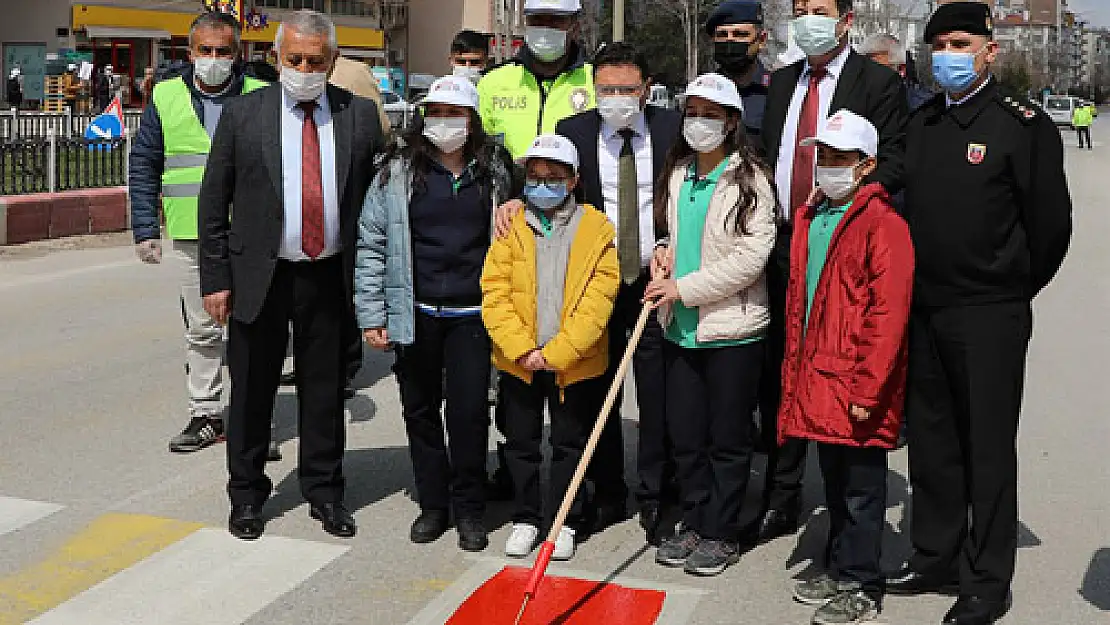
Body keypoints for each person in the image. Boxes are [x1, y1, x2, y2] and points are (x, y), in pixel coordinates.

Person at [887, 4, 1072, 624]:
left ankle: (988, 577)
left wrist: (1009, 288)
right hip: (926, 307)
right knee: (932, 439)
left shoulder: (1023, 125)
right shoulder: (926, 123)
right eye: (938, 43)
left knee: (986, 445)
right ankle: (935, 554)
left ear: (990, 51)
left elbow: (1050, 228)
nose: (948, 54)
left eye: (961, 42)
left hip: (989, 311)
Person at [198, 9, 385, 541]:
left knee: (324, 392)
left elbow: (377, 198)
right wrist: (216, 278)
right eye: (295, 58)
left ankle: (325, 492)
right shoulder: (244, 114)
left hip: (328, 275)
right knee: (253, 390)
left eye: (316, 61)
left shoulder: (359, 115)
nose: (305, 68)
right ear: (277, 57)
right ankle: (247, 494)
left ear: (332, 62)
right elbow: (215, 202)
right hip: (260, 273)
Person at [754, 0, 908, 546]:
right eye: (799, 8)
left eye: (818, 8)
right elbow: (770, 152)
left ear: (844, 19)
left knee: (830, 368)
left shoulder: (876, 82)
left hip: (837, 241)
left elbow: (893, 160)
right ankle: (781, 493)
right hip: (780, 244)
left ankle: (845, 506)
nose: (806, 18)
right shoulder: (785, 79)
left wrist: (842, 203)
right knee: (782, 371)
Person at [355, 75, 519, 553]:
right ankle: (433, 504)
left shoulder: (495, 171)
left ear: (472, 121)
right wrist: (372, 313)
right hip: (416, 311)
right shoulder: (396, 171)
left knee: (468, 414)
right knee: (420, 410)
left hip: (473, 314)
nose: (445, 123)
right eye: (437, 113)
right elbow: (372, 243)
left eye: (456, 114)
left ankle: (470, 507)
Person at [780, 110, 914, 625]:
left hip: (856, 381)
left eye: (841, 159)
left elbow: (888, 315)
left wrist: (870, 386)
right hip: (818, 377)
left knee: (862, 490)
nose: (828, 167)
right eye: (824, 158)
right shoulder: (814, 217)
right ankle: (839, 566)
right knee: (834, 484)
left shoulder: (885, 225)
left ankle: (863, 582)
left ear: (867, 166)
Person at [645, 73, 776, 577]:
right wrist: (663, 257)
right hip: (681, 326)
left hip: (732, 329)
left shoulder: (750, 179)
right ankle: (695, 520)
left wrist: (685, 288)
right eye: (692, 112)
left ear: (732, 121)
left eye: (711, 113)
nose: (699, 122)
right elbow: (678, 236)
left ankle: (722, 531)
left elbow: (751, 258)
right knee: (687, 434)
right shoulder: (679, 172)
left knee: (728, 436)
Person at [553, 42, 681, 543]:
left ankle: (656, 496)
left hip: (654, 278)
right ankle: (606, 492)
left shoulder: (672, 131)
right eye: (607, 90)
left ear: (646, 89)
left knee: (657, 392)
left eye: (627, 89)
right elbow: (555, 196)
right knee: (596, 389)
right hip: (598, 280)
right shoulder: (574, 134)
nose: (617, 98)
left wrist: (672, 244)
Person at [129, 11, 269, 454]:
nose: (213, 59)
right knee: (203, 329)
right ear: (189, 53)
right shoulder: (166, 95)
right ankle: (206, 414)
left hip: (252, 236)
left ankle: (253, 422)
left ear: (238, 53)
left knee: (254, 329)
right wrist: (145, 227)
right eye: (205, 50)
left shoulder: (261, 93)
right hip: (192, 234)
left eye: (223, 51)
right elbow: (145, 161)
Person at [481, 134, 619, 562]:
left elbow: (600, 299)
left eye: (554, 178)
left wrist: (557, 353)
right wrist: (521, 349)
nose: (542, 185)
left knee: (569, 444)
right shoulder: (511, 223)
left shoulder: (597, 228)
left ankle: (566, 519)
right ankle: (526, 515)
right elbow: (494, 291)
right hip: (518, 359)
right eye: (535, 177)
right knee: (520, 441)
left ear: (574, 180)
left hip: (573, 362)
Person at [477, 0, 595, 160]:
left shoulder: (594, 81)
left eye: (555, 20)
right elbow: (477, 148)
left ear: (575, 26)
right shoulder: (492, 82)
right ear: (526, 22)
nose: (545, 29)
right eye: (537, 20)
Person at [705, 0, 772, 151]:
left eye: (740, 34)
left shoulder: (777, 92)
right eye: (722, 35)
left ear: (761, 40)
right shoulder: (704, 94)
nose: (730, 41)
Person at [858, 33, 934, 113]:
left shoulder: (923, 107)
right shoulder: (855, 101)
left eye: (877, 70)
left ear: (901, 70)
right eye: (863, 70)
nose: (869, 76)